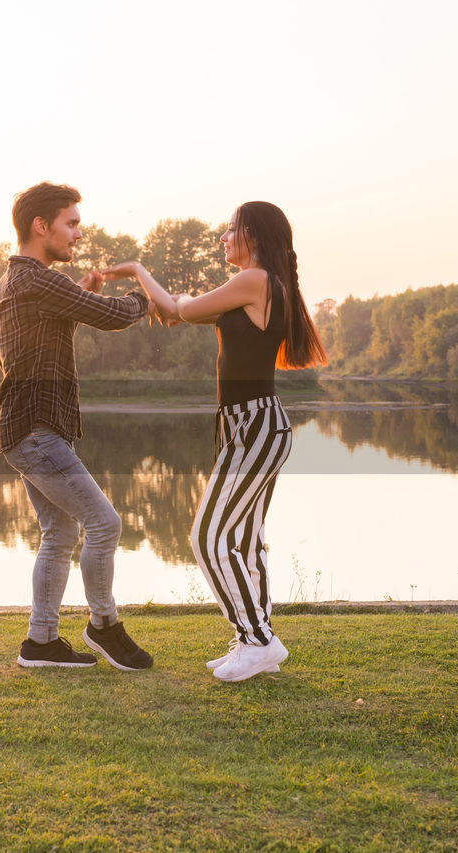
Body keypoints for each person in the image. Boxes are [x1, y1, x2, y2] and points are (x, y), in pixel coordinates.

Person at [102, 201, 326, 682]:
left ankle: (259, 641)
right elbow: (176, 312)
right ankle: (255, 637)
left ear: (255, 237)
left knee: (208, 537)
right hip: (247, 427)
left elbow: (179, 309)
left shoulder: (256, 280)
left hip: (256, 426)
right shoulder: (257, 285)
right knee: (243, 542)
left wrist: (139, 268)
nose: (222, 238)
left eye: (230, 230)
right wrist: (150, 281)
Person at [0, 182, 159, 671]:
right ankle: (104, 626)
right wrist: (145, 290)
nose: (78, 235)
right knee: (104, 524)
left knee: (59, 531)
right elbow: (114, 315)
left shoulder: (12, 284)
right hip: (36, 432)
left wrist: (73, 302)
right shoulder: (35, 280)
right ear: (41, 226)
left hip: (26, 431)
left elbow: (33, 345)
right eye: (72, 223)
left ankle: (40, 642)